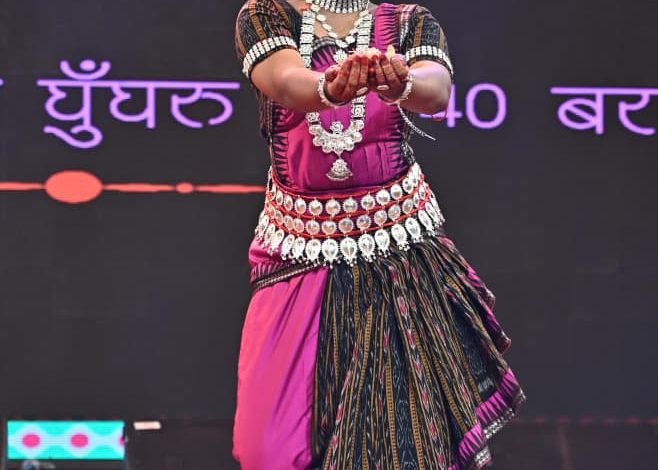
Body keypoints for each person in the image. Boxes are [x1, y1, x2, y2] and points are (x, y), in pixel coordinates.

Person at [232, 1, 526, 468]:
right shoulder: (267, 13)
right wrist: (329, 87)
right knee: (266, 449)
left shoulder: (408, 21)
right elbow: (286, 82)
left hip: (399, 258)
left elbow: (437, 89)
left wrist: (402, 81)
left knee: (396, 445)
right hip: (297, 252)